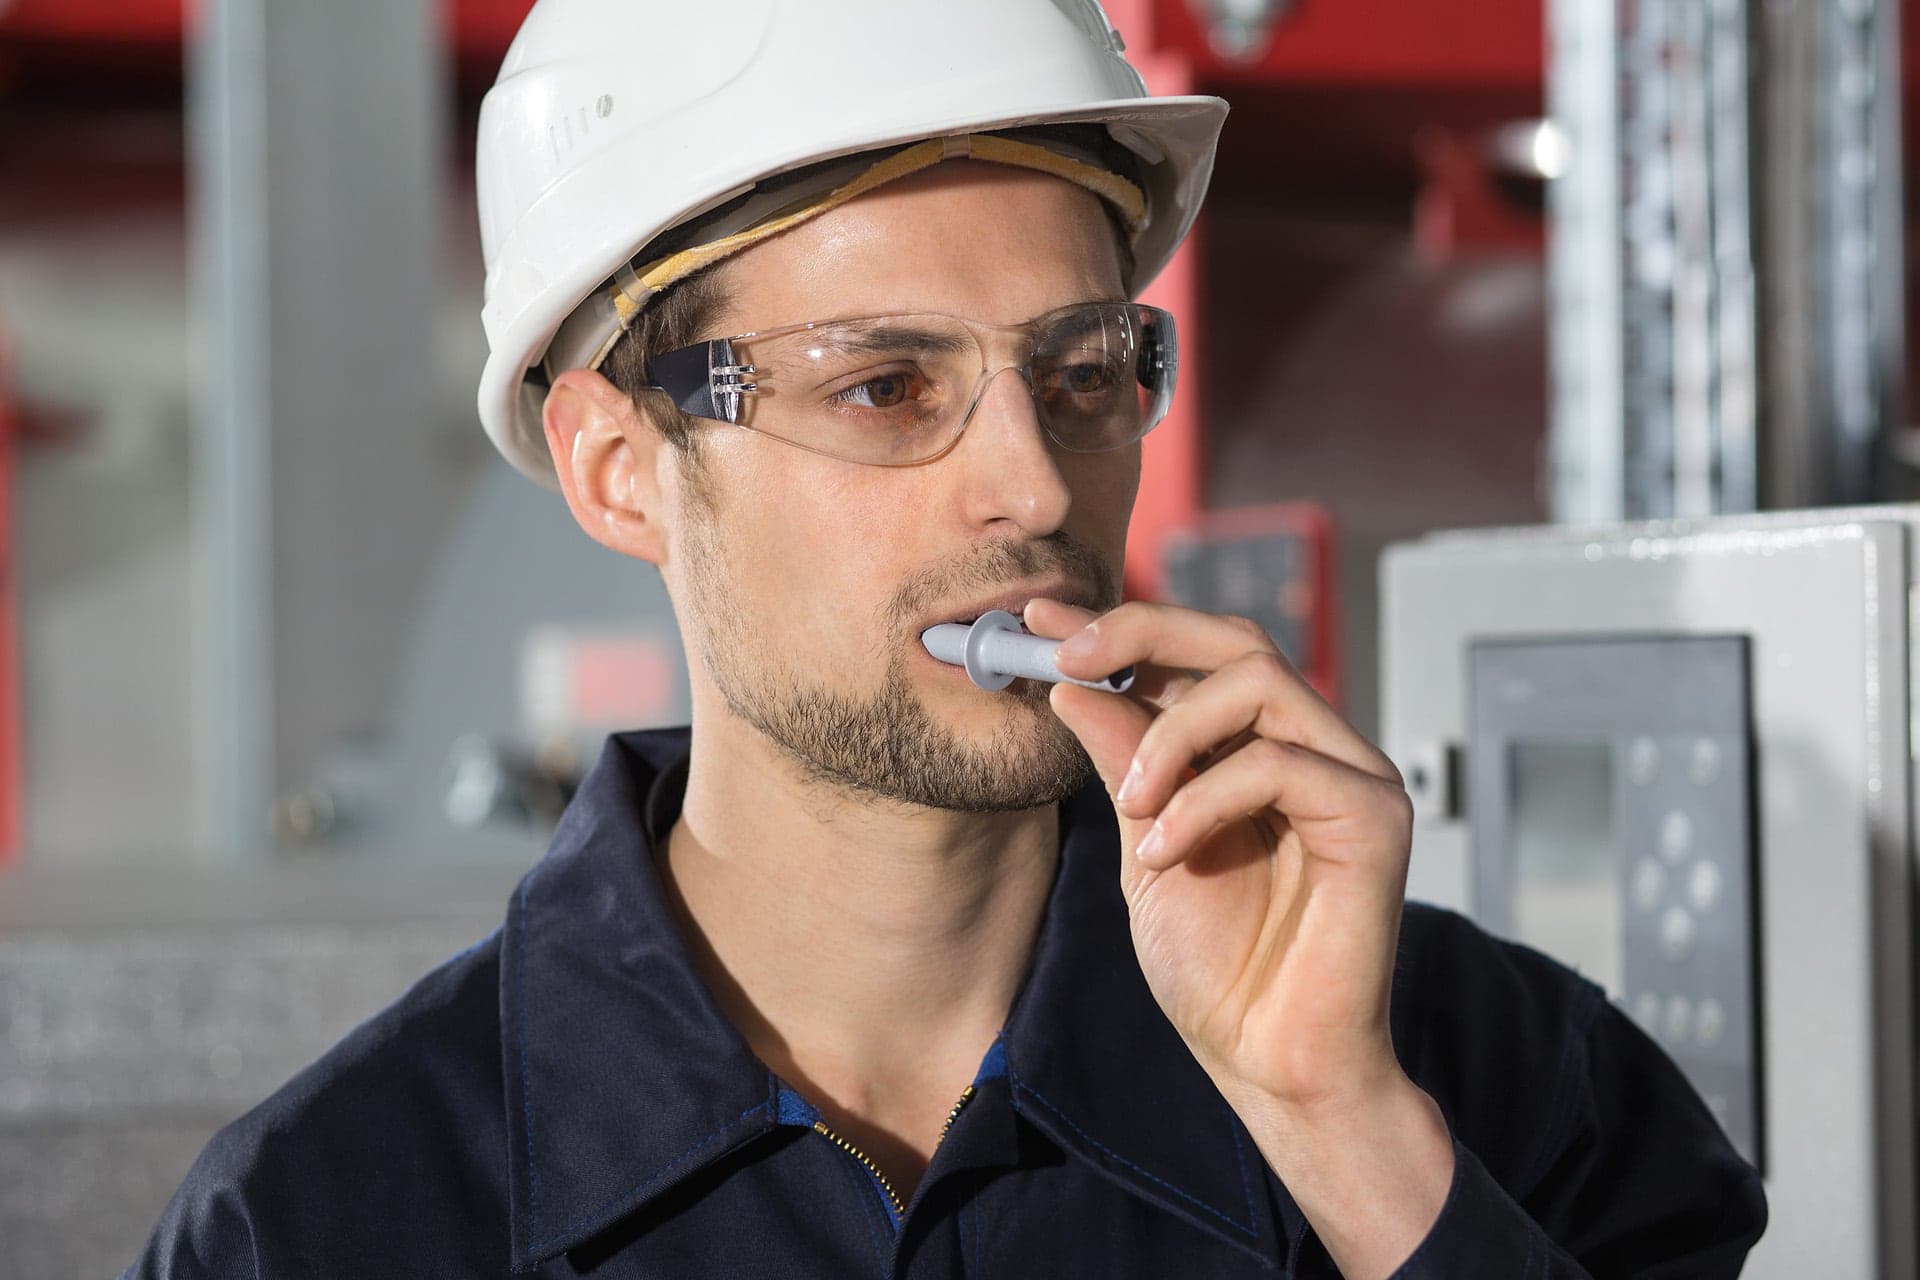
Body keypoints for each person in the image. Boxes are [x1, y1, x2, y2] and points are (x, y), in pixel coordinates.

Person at [127, 1, 1767, 1275]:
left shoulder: (1496, 1082)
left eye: (1079, 371)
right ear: (620, 469)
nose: (1033, 481)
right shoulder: (328, 1224)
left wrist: (1343, 1132)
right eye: (884, 386)